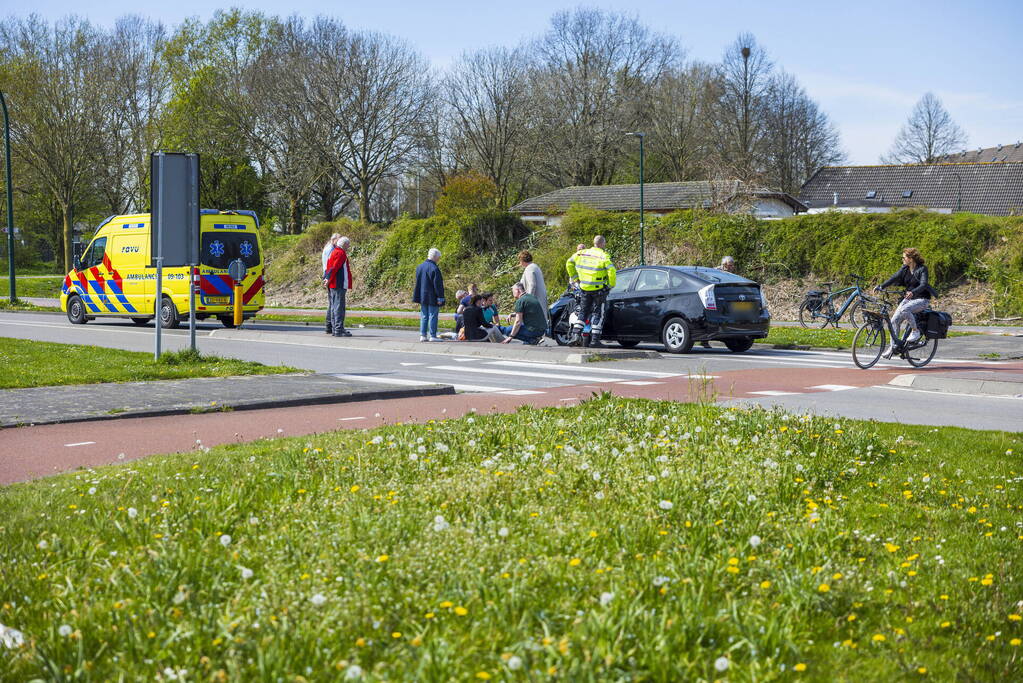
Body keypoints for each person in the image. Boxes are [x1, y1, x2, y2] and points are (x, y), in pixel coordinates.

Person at [876, 247, 936, 357]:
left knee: (904, 309)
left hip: (922, 300)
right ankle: (893, 347)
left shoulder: (922, 269)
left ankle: (915, 331)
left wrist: (913, 292)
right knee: (894, 321)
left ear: (911, 259)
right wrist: (882, 286)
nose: (902, 259)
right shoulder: (905, 269)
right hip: (909, 299)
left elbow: (923, 284)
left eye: (904, 257)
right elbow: (894, 277)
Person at [565, 235, 616, 347]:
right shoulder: (603, 255)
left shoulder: (581, 253)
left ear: (593, 243)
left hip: (584, 287)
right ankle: (595, 341)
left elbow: (569, 262)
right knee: (598, 313)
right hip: (599, 289)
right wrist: (610, 285)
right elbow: (612, 270)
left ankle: (575, 335)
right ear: (602, 244)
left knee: (583, 312)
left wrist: (575, 277)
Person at [413, 247, 445, 342]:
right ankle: (432, 335)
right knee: (433, 315)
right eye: (438, 257)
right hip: (432, 296)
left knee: (424, 315)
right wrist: (440, 297)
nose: (439, 259)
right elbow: (438, 285)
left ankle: (423, 335)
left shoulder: (420, 267)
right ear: (435, 257)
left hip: (422, 295)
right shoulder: (434, 268)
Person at [322, 236, 352, 337]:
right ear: (344, 244)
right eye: (348, 245)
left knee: (334, 307)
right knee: (339, 307)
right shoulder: (340, 253)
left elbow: (329, 267)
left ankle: (335, 329)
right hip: (338, 283)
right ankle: (338, 329)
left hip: (333, 283)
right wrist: (328, 278)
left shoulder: (334, 251)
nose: (349, 247)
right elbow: (334, 267)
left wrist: (326, 278)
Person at [518, 250, 548, 328]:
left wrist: (529, 299)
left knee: (535, 320)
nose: (520, 264)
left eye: (520, 261)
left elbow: (532, 284)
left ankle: (537, 335)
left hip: (535, 298)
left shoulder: (529, 268)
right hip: (540, 297)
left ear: (522, 260)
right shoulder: (535, 266)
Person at [321, 232, 341, 334]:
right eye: (338, 239)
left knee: (332, 302)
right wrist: (328, 279)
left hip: (327, 275)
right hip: (329, 275)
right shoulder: (331, 249)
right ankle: (330, 326)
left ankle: (329, 326)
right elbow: (331, 266)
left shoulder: (328, 247)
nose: (339, 241)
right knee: (333, 302)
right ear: (333, 240)